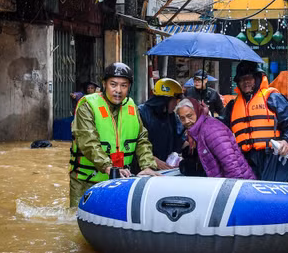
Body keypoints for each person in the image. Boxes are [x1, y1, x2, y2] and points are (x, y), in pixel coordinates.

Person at [69, 63, 159, 207]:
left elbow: (142, 139)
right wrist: (108, 167)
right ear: (104, 84)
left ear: (129, 87)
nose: (118, 90)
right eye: (113, 84)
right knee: (77, 222)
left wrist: (147, 166)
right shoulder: (87, 105)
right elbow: (88, 142)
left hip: (120, 181)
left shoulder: (131, 106)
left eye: (124, 85)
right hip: (86, 181)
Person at [222, 61, 288, 182]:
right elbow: (219, 128)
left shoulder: (273, 98)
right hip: (247, 159)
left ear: (257, 78)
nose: (245, 82)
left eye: (249, 78)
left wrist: (286, 141)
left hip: (274, 157)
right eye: (242, 79)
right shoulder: (232, 106)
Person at [176, 98, 255, 180]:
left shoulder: (211, 129)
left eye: (189, 116)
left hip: (236, 184)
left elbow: (230, 162)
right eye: (182, 118)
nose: (186, 121)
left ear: (197, 111)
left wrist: (233, 188)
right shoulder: (198, 131)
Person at [138, 78, 185, 170]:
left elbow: (180, 140)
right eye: (175, 100)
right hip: (144, 169)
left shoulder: (171, 116)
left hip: (166, 170)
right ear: (165, 100)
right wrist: (153, 160)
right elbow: (138, 143)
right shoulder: (141, 113)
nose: (176, 103)